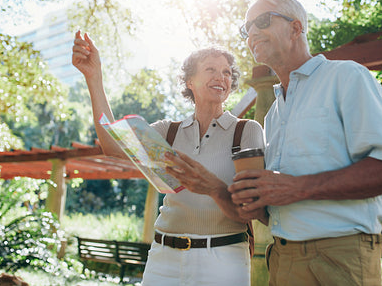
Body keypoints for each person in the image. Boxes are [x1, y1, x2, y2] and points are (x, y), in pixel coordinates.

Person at [228, 0, 382, 286]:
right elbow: (287, 201)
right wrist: (259, 205)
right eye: (246, 28)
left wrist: (297, 187)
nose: (251, 32)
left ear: (296, 28)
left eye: (262, 21)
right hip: (282, 259)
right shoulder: (274, 113)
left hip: (340, 260)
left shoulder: (347, 76)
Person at [72, 31, 265, 286]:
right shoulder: (168, 132)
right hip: (164, 258)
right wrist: (93, 77)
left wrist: (212, 188)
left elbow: (253, 210)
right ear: (189, 82)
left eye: (227, 72)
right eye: (210, 69)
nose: (221, 77)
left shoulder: (246, 131)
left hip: (223, 259)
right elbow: (112, 146)